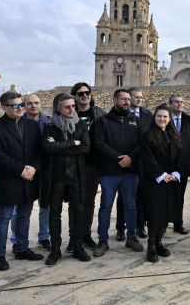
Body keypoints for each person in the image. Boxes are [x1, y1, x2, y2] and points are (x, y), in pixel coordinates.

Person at [0, 91, 44, 271]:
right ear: (4, 107)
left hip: (29, 179)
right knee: (4, 217)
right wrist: (21, 169)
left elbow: (39, 151)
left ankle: (21, 248)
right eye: (16, 105)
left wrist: (34, 168)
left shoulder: (32, 125)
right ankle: (0, 255)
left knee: (24, 215)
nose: (20, 108)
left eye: (21, 104)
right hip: (8, 180)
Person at [92, 89, 144, 258]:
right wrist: (118, 158)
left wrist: (130, 157)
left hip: (130, 172)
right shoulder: (102, 121)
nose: (127, 102)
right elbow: (99, 144)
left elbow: (141, 143)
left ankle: (131, 237)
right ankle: (103, 240)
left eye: (129, 99)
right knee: (106, 207)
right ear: (115, 100)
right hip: (109, 172)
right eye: (123, 99)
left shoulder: (135, 120)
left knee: (131, 205)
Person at [41, 93, 92, 265]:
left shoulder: (81, 124)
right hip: (56, 176)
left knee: (78, 211)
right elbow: (48, 148)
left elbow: (85, 147)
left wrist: (59, 146)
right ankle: (55, 250)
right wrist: (72, 143)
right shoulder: (49, 126)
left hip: (76, 175)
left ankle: (78, 246)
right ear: (58, 108)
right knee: (54, 213)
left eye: (73, 106)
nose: (72, 109)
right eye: (68, 106)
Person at [140, 104, 185, 262]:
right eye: (159, 116)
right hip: (155, 181)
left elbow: (181, 155)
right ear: (155, 117)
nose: (162, 119)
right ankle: (151, 246)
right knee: (155, 215)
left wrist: (176, 173)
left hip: (171, 180)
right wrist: (161, 174)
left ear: (169, 118)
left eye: (165, 116)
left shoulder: (174, 134)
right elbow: (147, 158)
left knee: (166, 214)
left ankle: (159, 242)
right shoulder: (147, 134)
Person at [8, 92, 51, 251]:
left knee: (45, 206)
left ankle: (44, 237)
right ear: (24, 106)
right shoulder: (18, 122)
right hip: (25, 171)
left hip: (45, 170)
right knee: (18, 210)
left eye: (37, 103)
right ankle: (16, 240)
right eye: (30, 103)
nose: (34, 106)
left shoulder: (49, 122)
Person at [69, 82, 106, 251]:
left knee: (89, 202)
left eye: (87, 92)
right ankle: (73, 237)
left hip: (93, 164)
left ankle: (86, 235)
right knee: (75, 202)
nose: (85, 96)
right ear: (75, 96)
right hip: (74, 164)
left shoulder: (99, 113)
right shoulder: (69, 113)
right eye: (80, 93)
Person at [115, 87, 152, 240]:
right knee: (123, 198)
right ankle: (120, 227)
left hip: (143, 162)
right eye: (135, 97)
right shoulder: (121, 116)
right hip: (126, 162)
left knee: (141, 195)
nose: (139, 99)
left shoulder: (148, 115)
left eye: (141, 97)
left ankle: (140, 225)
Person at [169, 93, 190, 235]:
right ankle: (162, 224)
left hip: (183, 166)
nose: (179, 104)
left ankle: (178, 223)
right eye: (176, 102)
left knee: (180, 197)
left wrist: (189, 156)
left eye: (181, 102)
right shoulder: (164, 118)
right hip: (167, 166)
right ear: (170, 104)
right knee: (166, 196)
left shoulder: (188, 121)